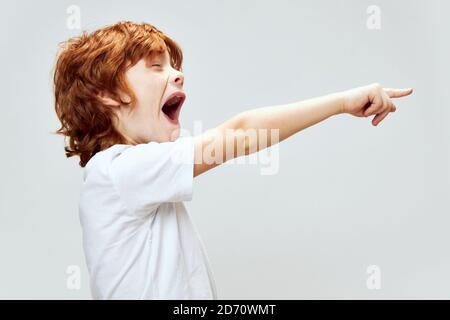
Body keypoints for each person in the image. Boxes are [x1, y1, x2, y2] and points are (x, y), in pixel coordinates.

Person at [52, 21, 413, 299]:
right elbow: (241, 133)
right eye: (156, 66)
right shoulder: (116, 170)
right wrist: (341, 103)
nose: (177, 73)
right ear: (107, 94)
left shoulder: (137, 177)